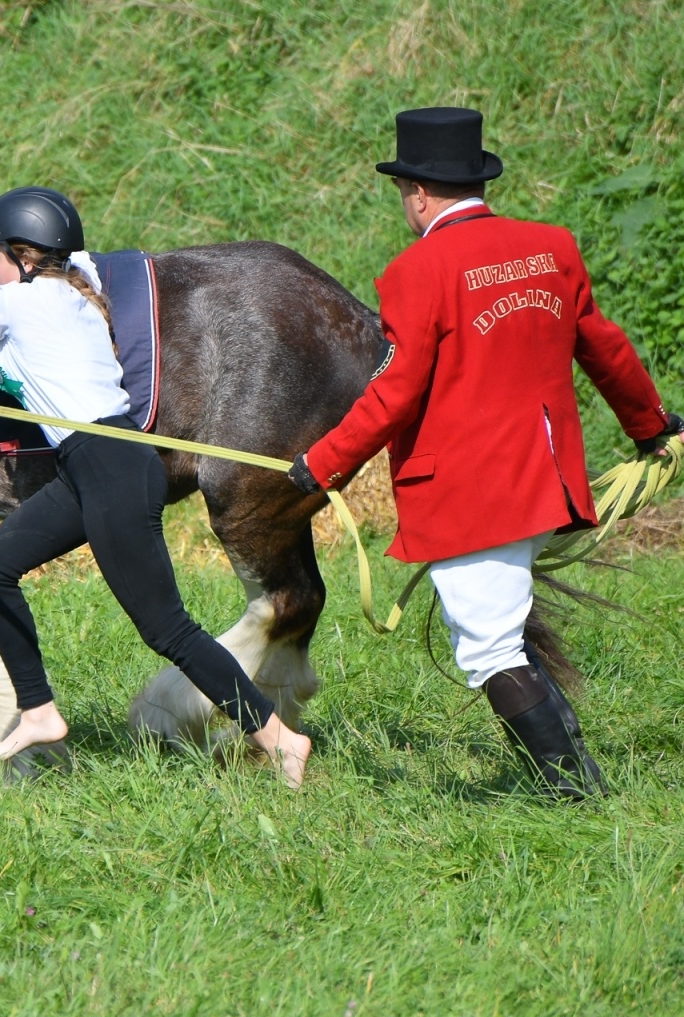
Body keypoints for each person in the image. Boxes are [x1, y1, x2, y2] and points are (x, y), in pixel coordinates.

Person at [287, 107, 682, 800]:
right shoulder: (551, 246)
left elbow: (394, 393)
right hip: (548, 480)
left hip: (475, 492)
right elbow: (606, 350)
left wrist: (321, 466)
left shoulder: (416, 271)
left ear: (417, 193)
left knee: (491, 648)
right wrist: (650, 427)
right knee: (504, 634)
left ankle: (573, 795)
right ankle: (576, 780)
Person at [0, 186, 312, 787]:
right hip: (94, 465)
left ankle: (279, 739)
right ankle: (39, 711)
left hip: (107, 467)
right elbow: (78, 261)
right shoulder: (77, 288)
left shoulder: (12, 303)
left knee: (168, 630)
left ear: (25, 257)